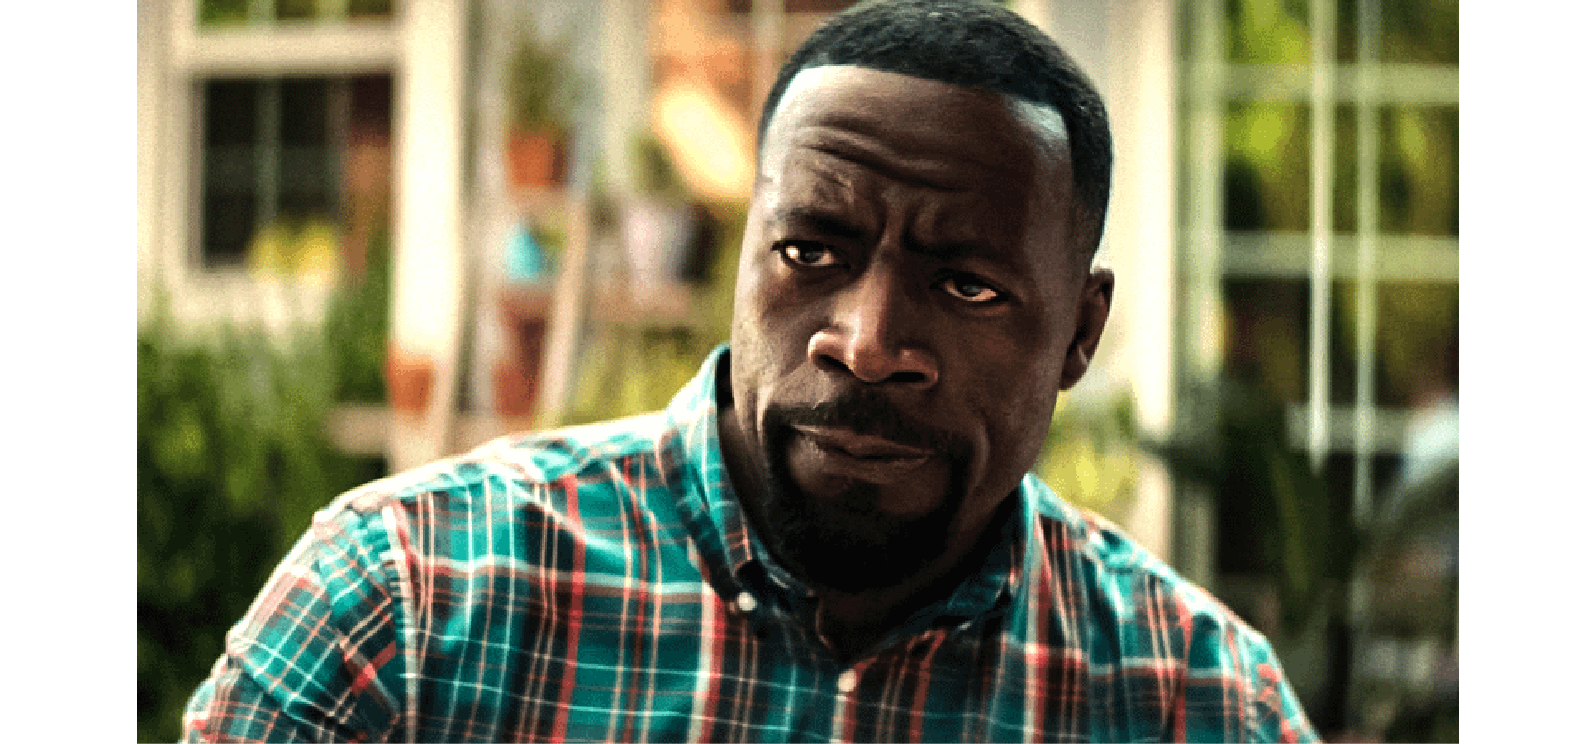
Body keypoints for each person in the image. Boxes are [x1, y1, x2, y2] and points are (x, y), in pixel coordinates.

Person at [182, 1, 1320, 741]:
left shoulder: (1198, 701)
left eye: (967, 285)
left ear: (1079, 331)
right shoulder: (407, 602)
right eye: (811, 253)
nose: (867, 341)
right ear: (743, 258)